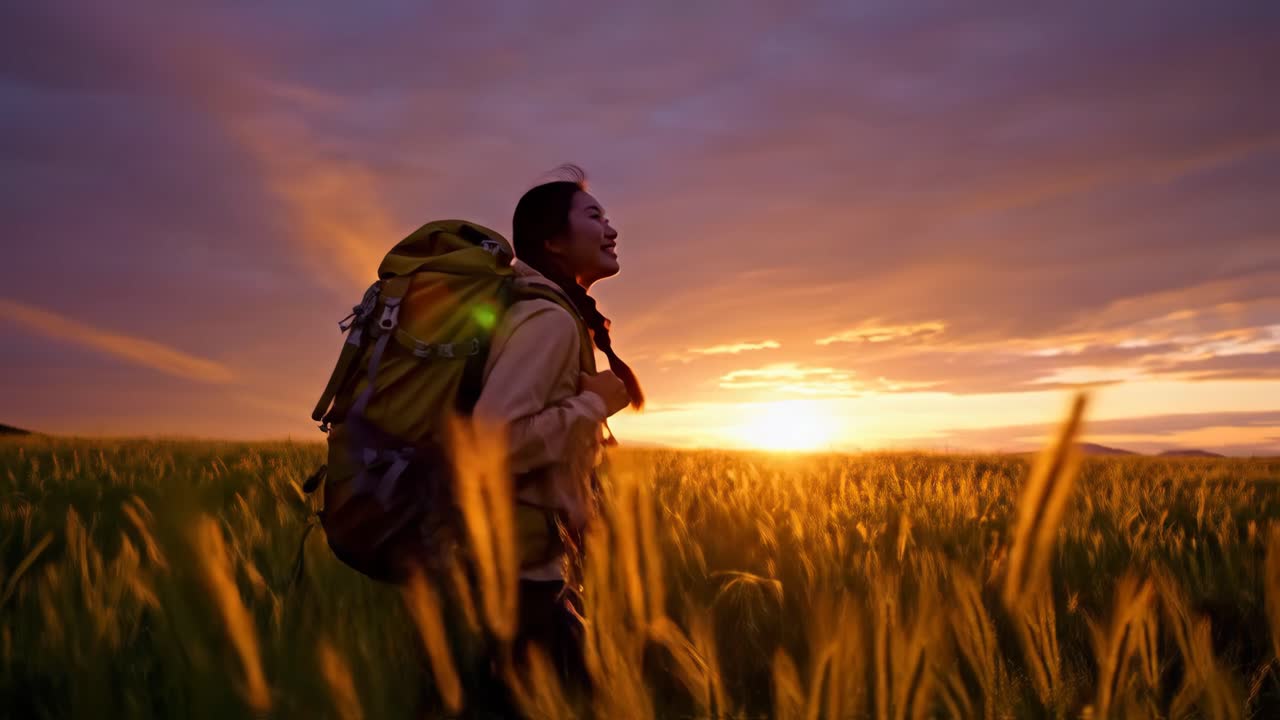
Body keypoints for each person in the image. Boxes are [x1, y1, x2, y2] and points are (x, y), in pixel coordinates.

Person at [470, 164, 644, 695]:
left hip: (518, 571)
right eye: (594, 216)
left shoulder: (548, 312)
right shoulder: (547, 320)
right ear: (553, 241)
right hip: (518, 580)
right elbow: (493, 442)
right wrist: (592, 405)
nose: (611, 230)